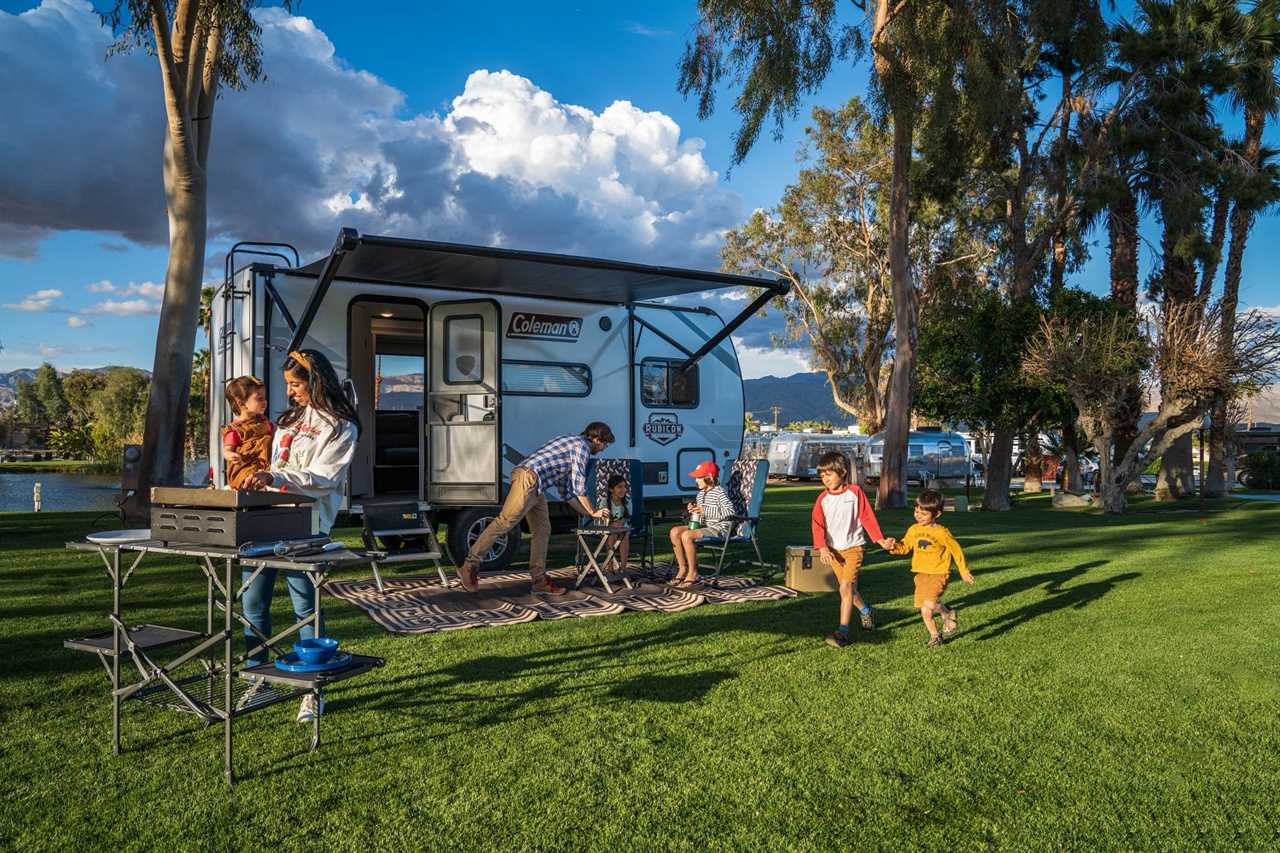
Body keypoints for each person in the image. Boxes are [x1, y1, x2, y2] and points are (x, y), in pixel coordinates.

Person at [240, 349, 361, 721]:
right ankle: (257, 677)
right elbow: (280, 464)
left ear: (316, 381)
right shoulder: (290, 420)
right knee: (253, 603)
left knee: (305, 608)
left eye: (295, 385)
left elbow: (324, 479)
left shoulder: (340, 426)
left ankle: (312, 689)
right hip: (267, 518)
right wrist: (262, 477)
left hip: (307, 526)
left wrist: (277, 477)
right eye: (288, 385)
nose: (290, 393)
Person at [457, 422, 615, 595]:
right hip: (529, 479)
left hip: (536, 484)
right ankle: (469, 565)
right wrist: (594, 511)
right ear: (596, 438)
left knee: (543, 529)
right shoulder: (582, 447)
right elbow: (579, 487)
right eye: (604, 444)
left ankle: (539, 581)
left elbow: (567, 493)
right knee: (505, 522)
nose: (603, 448)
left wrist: (588, 514)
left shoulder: (570, 442)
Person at [810, 451, 894, 649]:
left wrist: (880, 540)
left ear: (843, 472)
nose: (825, 479)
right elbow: (817, 525)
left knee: (845, 588)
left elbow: (867, 518)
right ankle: (866, 611)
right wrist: (822, 548)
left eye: (829, 474)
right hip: (833, 552)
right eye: (822, 476)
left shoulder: (855, 493)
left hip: (854, 549)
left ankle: (842, 632)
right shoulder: (822, 499)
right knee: (850, 590)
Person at [886, 489, 975, 648]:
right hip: (920, 574)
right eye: (916, 511)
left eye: (923, 514)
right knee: (925, 610)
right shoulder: (914, 529)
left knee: (930, 603)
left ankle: (946, 613)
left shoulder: (942, 533)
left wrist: (963, 570)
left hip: (939, 573)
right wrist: (893, 546)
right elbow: (905, 547)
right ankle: (935, 636)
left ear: (937, 514)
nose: (918, 515)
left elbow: (956, 550)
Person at [668, 460, 734, 588]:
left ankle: (693, 573)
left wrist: (705, 510)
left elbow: (730, 512)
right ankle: (682, 569)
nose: (696, 480)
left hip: (719, 529)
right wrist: (694, 510)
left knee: (687, 536)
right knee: (674, 531)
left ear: (709, 477)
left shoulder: (719, 492)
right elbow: (701, 517)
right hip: (704, 526)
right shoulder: (700, 494)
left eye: (699, 477)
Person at [222, 376, 274, 489]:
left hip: (266, 468)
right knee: (249, 482)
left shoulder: (265, 423)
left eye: (265, 398)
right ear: (241, 404)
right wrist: (231, 455)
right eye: (259, 399)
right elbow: (226, 451)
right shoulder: (236, 430)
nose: (264, 402)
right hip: (246, 468)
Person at [601, 474, 632, 570]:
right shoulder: (605, 502)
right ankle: (610, 567)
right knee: (611, 535)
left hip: (623, 528)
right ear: (611, 489)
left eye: (624, 487)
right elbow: (603, 519)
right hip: (608, 529)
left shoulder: (627, 501)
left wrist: (620, 523)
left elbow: (627, 518)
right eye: (619, 487)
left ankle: (623, 567)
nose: (623, 489)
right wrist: (612, 524)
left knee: (624, 535)